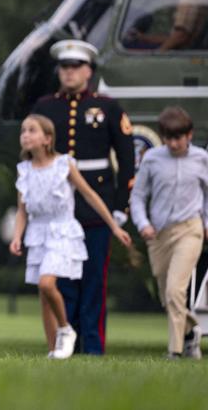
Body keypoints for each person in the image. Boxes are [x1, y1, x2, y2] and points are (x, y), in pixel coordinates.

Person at [32, 39, 135, 355]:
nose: (69, 72)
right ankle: (68, 342)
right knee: (63, 278)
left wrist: (120, 205)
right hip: (59, 207)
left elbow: (127, 158)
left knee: (93, 279)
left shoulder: (107, 107)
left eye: (76, 67)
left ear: (89, 71)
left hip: (96, 204)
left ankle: (93, 345)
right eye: (64, 67)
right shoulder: (45, 108)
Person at [9, 114, 133, 359]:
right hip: (38, 233)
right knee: (44, 296)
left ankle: (66, 329)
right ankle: (53, 351)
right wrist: (17, 237)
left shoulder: (63, 165)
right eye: (23, 130)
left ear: (47, 138)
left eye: (32, 130)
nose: (25, 135)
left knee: (47, 283)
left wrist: (114, 226)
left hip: (63, 231)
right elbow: (22, 210)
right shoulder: (24, 171)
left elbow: (89, 195)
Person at [130, 106, 208, 360]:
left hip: (190, 229)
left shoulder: (201, 158)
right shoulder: (152, 159)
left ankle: (175, 351)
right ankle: (190, 333)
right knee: (165, 296)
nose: (173, 144)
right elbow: (138, 196)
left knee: (175, 291)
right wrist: (142, 223)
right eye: (168, 138)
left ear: (189, 135)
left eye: (178, 138)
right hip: (159, 234)